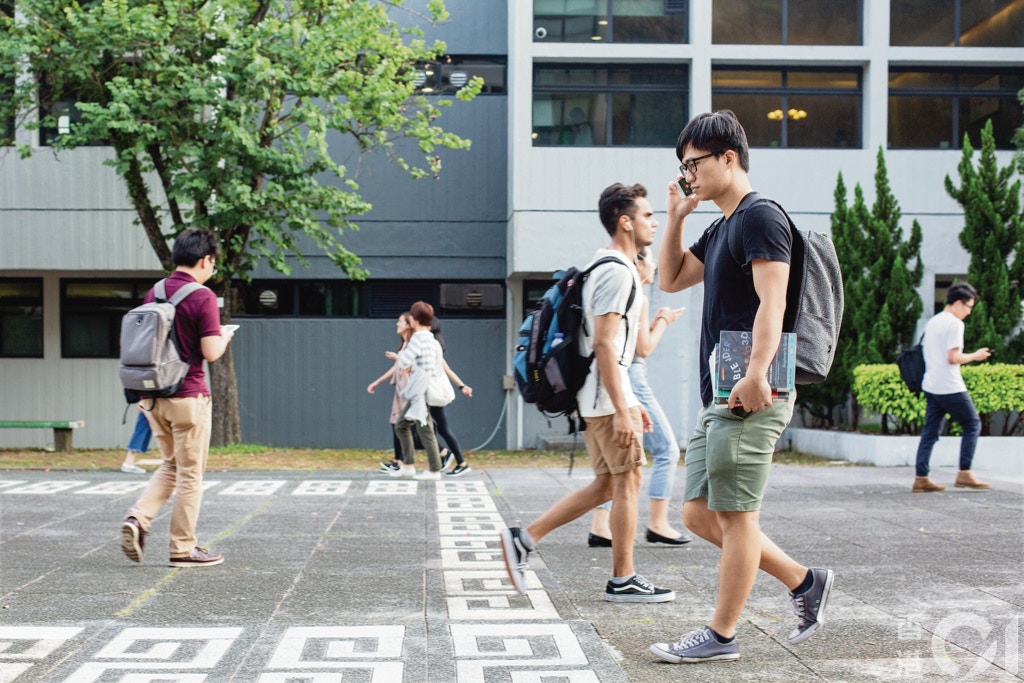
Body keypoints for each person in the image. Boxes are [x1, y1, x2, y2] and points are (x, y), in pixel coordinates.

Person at [650, 110, 833, 663]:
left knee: (735, 515)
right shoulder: (723, 223)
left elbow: (773, 302)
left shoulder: (760, 217)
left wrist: (757, 374)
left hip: (753, 384)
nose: (688, 176)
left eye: (694, 165)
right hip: (722, 386)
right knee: (698, 514)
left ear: (729, 157)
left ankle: (721, 634)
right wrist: (677, 216)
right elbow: (671, 278)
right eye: (682, 168)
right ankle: (805, 582)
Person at [501, 182, 675, 604]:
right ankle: (623, 578)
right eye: (648, 215)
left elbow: (614, 348)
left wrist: (630, 405)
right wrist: (622, 408)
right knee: (629, 480)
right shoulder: (616, 272)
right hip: (604, 398)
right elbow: (604, 345)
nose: (655, 222)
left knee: (606, 484)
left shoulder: (606, 268)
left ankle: (524, 539)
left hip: (598, 397)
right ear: (625, 221)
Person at [119, 227, 235, 568]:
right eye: (213, 262)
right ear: (205, 259)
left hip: (152, 397)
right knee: (190, 475)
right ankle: (183, 548)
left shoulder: (152, 293)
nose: (213, 268)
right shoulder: (202, 297)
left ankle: (138, 519)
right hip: (188, 397)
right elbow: (210, 352)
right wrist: (225, 336)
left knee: (171, 465)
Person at [588, 246, 689, 547]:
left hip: (613, 379)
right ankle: (657, 523)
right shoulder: (638, 297)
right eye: (652, 261)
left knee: (614, 463)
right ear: (639, 264)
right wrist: (664, 322)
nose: (656, 266)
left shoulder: (613, 290)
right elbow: (642, 349)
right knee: (667, 450)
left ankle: (600, 526)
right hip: (631, 379)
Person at [913, 282, 992, 492]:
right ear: (958, 303)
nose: (968, 312)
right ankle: (964, 473)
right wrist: (976, 356)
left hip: (931, 384)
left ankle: (921, 478)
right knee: (972, 424)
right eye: (968, 307)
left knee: (930, 432)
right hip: (950, 385)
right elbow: (953, 357)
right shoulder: (955, 324)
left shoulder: (933, 321)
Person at [391, 301, 445, 481]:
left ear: (414, 319)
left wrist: (400, 360)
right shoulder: (429, 337)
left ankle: (433, 469)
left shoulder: (418, 338)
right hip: (424, 385)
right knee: (407, 425)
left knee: (422, 428)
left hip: (419, 389)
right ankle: (409, 465)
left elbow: (405, 359)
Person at [367, 312, 419, 472]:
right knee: (397, 424)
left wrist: (398, 359)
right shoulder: (405, 344)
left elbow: (410, 365)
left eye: (400, 322)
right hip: (401, 390)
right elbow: (398, 366)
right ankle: (399, 461)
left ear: (409, 325)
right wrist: (378, 382)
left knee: (406, 426)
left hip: (408, 390)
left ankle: (441, 452)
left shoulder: (413, 344)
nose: (397, 324)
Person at [429, 317, 474, 477]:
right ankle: (456, 460)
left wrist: (462, 386)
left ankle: (450, 456)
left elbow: (446, 369)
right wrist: (462, 386)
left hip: (431, 392)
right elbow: (448, 369)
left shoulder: (431, 347)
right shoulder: (434, 345)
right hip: (432, 392)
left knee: (427, 428)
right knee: (439, 428)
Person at [121, 409, 151, 473]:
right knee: (141, 430)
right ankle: (128, 463)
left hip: (151, 404)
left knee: (142, 430)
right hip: (151, 404)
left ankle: (128, 462)